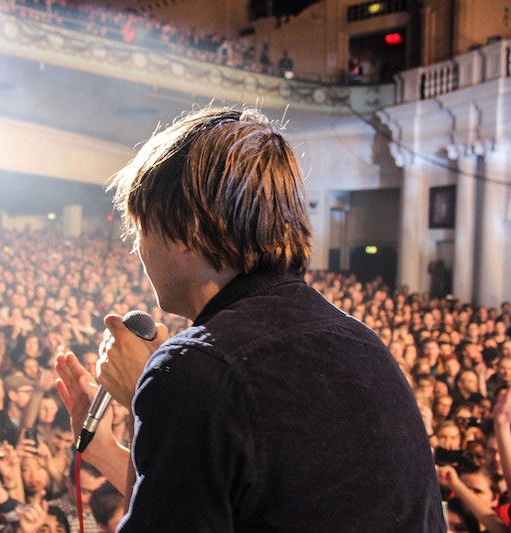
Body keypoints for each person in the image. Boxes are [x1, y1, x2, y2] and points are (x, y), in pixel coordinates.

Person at [55, 106, 445, 531]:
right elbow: (236, 504)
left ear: (191, 230)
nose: (137, 250)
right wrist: (105, 451)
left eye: (141, 228)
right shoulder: (361, 341)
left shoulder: (197, 370)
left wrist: (144, 397)